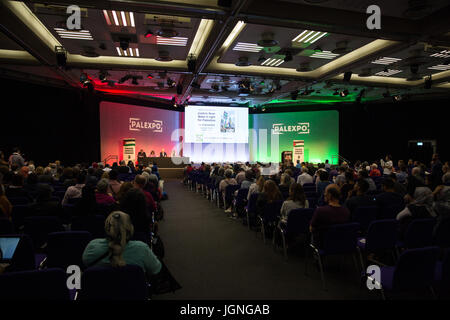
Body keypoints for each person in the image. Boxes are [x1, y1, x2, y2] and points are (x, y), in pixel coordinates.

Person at [82, 211, 161, 278]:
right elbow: (156, 269)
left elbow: (85, 264)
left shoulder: (92, 246)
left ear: (107, 227)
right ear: (130, 228)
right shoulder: (141, 249)